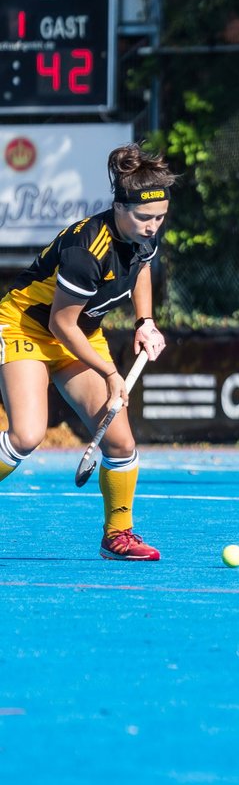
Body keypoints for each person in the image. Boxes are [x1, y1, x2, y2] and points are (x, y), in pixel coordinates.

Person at [0, 143, 173, 560]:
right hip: (28, 326)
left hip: (81, 332)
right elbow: (60, 323)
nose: (154, 227)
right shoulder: (87, 249)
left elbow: (143, 269)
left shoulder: (141, 237)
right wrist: (112, 374)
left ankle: (117, 536)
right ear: (119, 207)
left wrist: (144, 322)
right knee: (27, 434)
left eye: (161, 218)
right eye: (145, 218)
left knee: (120, 442)